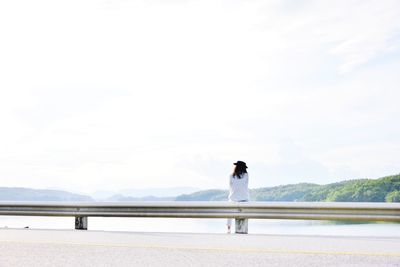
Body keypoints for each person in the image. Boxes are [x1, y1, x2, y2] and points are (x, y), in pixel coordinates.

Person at [227, 160, 249, 233]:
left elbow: (231, 187)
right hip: (244, 199)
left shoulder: (231, 176)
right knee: (245, 214)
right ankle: (244, 229)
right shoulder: (246, 175)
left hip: (233, 199)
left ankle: (229, 228)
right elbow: (245, 185)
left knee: (229, 211)